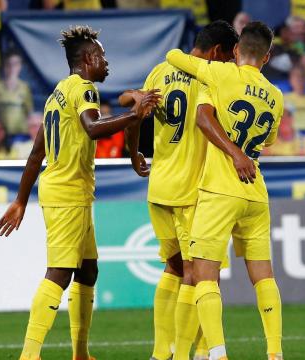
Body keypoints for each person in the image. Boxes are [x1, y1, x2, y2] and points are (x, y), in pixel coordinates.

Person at [0, 25, 160, 360]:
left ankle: (81, 353)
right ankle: (29, 354)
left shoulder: (57, 93)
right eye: (102, 55)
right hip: (67, 193)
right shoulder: (84, 90)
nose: (106, 62)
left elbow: (36, 153)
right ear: (87, 59)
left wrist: (20, 200)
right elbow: (93, 128)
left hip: (71, 192)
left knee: (88, 270)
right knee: (60, 271)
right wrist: (133, 114)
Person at [120, 20, 239, 360]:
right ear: (216, 53)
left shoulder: (160, 70)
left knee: (173, 269)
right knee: (199, 275)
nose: (228, 65)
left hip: (159, 188)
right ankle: (190, 352)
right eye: (228, 58)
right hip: (194, 192)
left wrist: (133, 154)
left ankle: (164, 351)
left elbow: (134, 109)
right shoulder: (208, 77)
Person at [166, 21, 284, 360]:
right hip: (256, 193)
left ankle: (217, 354)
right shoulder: (276, 96)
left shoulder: (219, 75)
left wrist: (234, 154)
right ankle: (275, 353)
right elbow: (270, 139)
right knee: (263, 275)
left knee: (204, 275)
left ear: (235, 51)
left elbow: (174, 57)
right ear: (267, 56)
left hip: (220, 190)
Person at [0, 51, 33, 134]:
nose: (12, 68)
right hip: (3, 135)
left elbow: (29, 112)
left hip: (21, 133)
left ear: (20, 66)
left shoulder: (25, 88)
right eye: (8, 64)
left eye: (15, 64)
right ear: (4, 66)